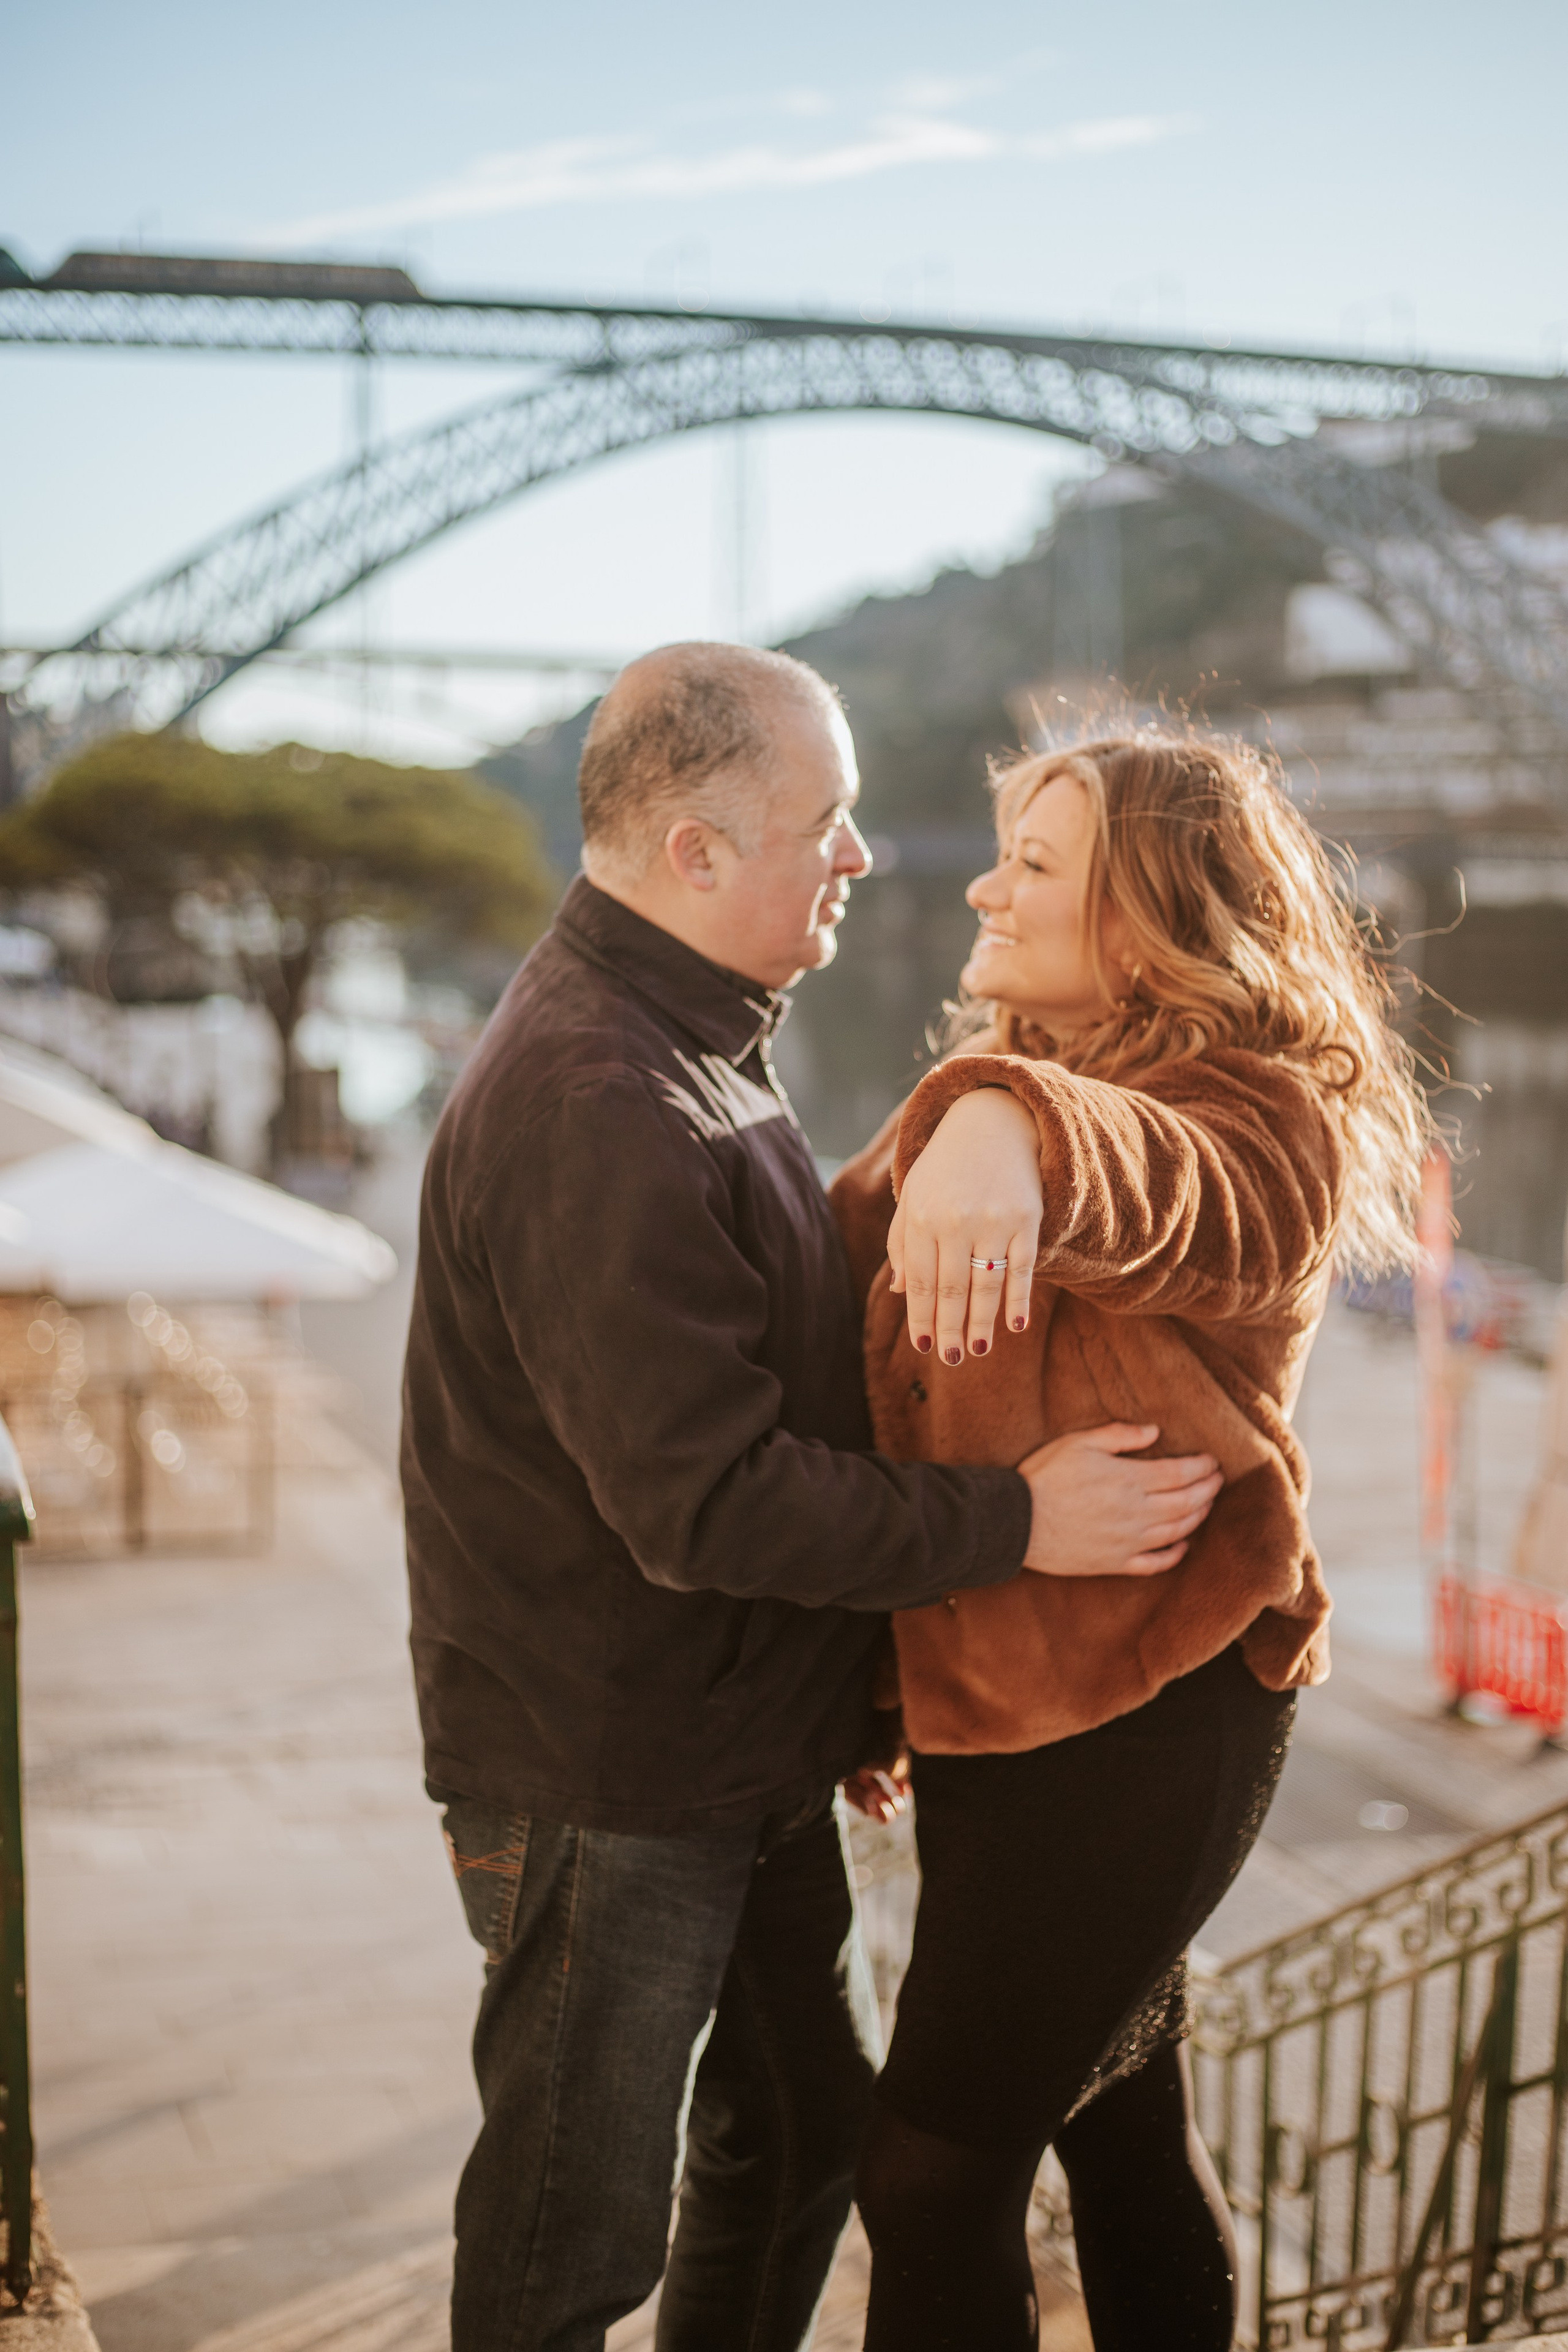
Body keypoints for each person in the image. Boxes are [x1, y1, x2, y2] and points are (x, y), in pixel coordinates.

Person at [400, 646, 1223, 2352]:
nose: (862, 855)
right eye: (826, 822)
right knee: (571, 2237)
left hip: (735, 1749)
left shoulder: (690, 1035)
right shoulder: (603, 1096)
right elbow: (700, 1503)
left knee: (803, 2137)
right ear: (696, 853)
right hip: (609, 1775)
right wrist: (1016, 1521)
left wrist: (841, 1687)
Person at [830, 728, 1428, 2352]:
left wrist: (1014, 1121)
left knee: (931, 2179)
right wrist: (875, 1690)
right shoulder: (980, 1099)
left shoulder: (1264, 1121)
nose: (984, 882)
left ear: (1152, 913)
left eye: (1035, 863)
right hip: (998, 1717)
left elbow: (1171, 1188)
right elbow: (875, 1374)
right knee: (1119, 2128)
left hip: (1159, 1716)